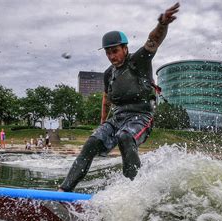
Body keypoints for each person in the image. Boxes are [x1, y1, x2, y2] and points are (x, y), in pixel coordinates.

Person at [59, 3, 180, 192]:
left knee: (125, 137)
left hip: (141, 118)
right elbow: (106, 100)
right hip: (118, 118)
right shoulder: (109, 74)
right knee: (91, 142)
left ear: (125, 48)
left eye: (115, 51)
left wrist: (162, 24)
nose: (111, 56)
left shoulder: (139, 60)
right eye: (108, 52)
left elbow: (153, 40)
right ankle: (64, 191)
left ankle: (133, 193)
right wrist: (102, 124)